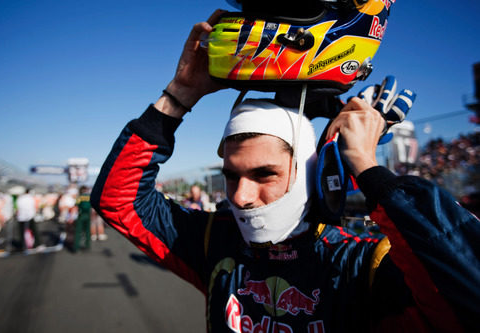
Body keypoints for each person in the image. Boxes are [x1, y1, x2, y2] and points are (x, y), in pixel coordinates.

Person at [91, 10, 480, 332]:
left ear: (314, 174)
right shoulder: (214, 241)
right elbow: (118, 201)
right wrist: (179, 95)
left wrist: (366, 166)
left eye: (264, 175)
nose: (240, 196)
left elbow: (468, 298)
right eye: (231, 174)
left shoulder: (363, 265)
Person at [72, 185, 92, 252]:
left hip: (81, 215)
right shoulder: (89, 197)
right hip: (88, 215)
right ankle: (87, 246)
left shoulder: (79, 197)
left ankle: (76, 247)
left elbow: (75, 206)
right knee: (87, 231)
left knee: (78, 231)